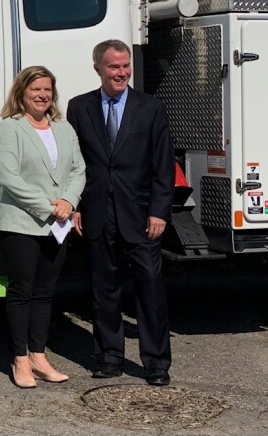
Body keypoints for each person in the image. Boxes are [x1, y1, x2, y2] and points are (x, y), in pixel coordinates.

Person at [66, 39, 175, 386]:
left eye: (125, 66)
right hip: (98, 212)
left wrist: (159, 212)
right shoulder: (79, 108)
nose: (122, 72)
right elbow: (75, 164)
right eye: (114, 67)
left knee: (150, 289)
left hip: (142, 215)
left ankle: (156, 362)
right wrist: (78, 206)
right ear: (98, 68)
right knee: (103, 289)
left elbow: (162, 165)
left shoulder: (150, 108)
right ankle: (109, 356)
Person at [0, 66, 86, 389]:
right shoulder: (9, 129)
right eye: (36, 90)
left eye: (47, 89)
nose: (42, 95)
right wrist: (50, 207)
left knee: (45, 293)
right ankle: (19, 359)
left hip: (57, 223)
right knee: (22, 291)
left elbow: (78, 169)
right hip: (22, 222)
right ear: (22, 92)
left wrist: (69, 202)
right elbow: (9, 179)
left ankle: (38, 356)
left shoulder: (63, 127)